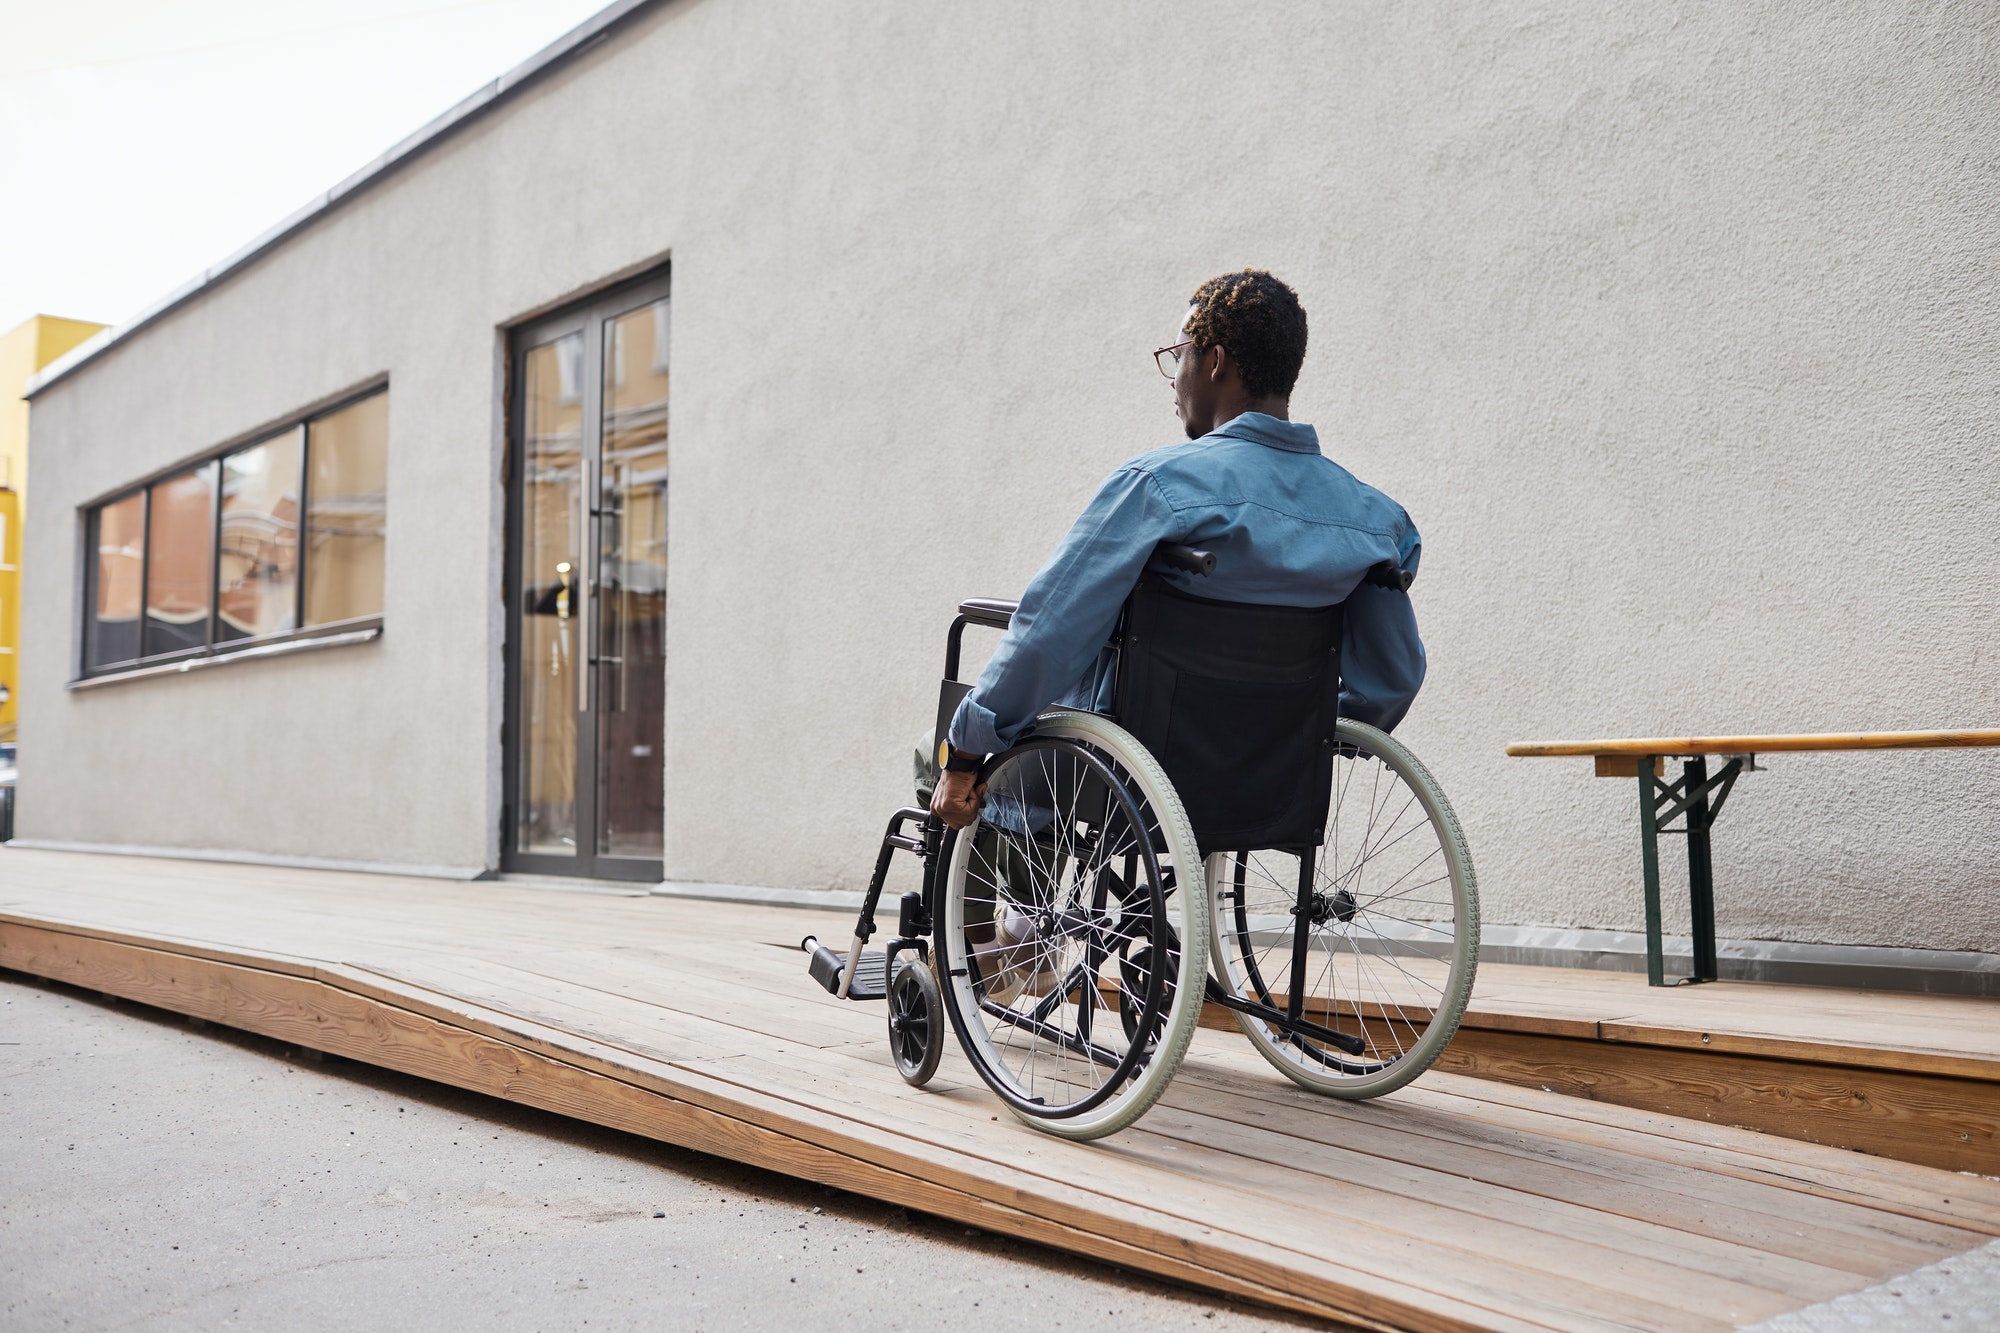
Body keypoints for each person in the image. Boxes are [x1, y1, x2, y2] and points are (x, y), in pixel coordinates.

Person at [928, 269, 1426, 831]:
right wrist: (1298, 732)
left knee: (939, 754)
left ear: (1215, 362)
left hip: (1124, 774)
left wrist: (965, 749)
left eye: (1179, 354)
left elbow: (1050, 632)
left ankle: (1010, 919)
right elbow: (1393, 680)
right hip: (1270, 777)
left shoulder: (1157, 487)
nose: (1174, 377)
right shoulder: (1377, 524)